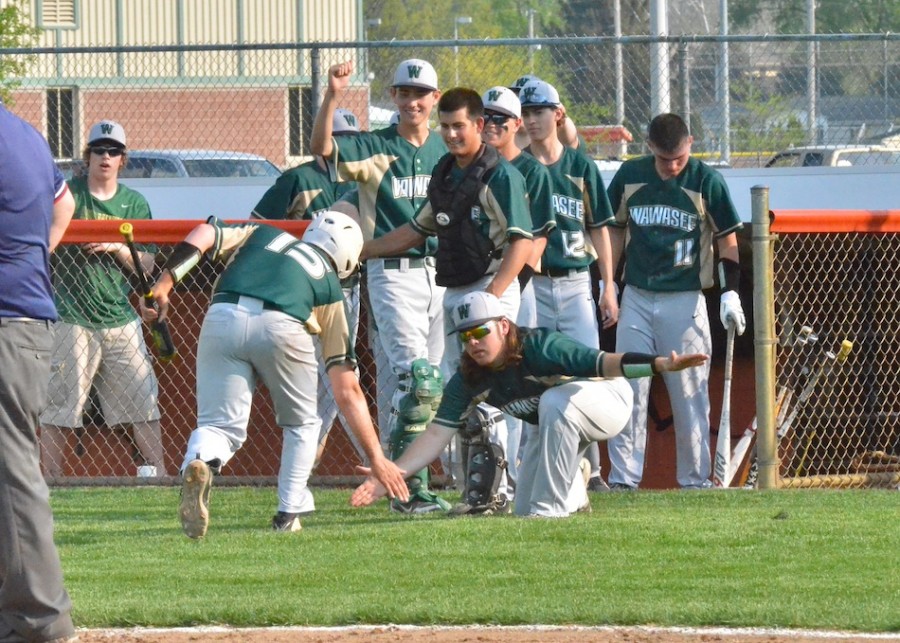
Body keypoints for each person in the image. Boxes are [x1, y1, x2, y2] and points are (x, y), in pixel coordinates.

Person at [141, 211, 409, 537]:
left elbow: (204, 232)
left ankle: (200, 462)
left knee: (218, 427)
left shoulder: (263, 233)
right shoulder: (328, 285)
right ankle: (288, 514)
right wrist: (377, 457)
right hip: (284, 323)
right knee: (304, 423)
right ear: (347, 261)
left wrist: (165, 283)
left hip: (223, 313)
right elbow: (347, 389)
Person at [350, 291, 708, 518]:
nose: (472, 342)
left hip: (608, 399)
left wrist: (659, 364)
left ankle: (551, 511)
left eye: (480, 331)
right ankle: (574, 487)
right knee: (521, 510)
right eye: (465, 336)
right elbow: (435, 435)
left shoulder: (540, 346)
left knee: (553, 403)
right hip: (555, 420)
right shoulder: (470, 376)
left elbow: (605, 363)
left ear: (504, 326)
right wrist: (390, 475)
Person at [361, 87, 534, 510]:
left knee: (492, 391)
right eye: (446, 126)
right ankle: (475, 486)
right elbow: (417, 230)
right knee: (457, 391)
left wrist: (491, 300)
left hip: (491, 287)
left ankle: (502, 489)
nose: (452, 133)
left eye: (460, 126)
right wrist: (363, 250)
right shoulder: (445, 172)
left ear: (480, 125)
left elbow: (521, 244)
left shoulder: (500, 174)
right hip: (455, 289)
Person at [311, 58, 448, 513]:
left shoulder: (444, 150)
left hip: (440, 275)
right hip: (391, 274)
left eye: (420, 93)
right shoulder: (375, 146)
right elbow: (322, 150)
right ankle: (415, 491)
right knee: (418, 382)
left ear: (435, 99)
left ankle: (400, 485)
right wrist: (333, 96)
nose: (411, 101)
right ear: (394, 97)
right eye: (404, 93)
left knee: (413, 386)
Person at [606, 113, 745, 490]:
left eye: (679, 158)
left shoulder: (705, 180)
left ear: (691, 143)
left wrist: (729, 289)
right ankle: (623, 478)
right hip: (636, 293)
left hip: (684, 299)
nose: (672, 166)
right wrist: (608, 283)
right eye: (665, 158)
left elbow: (727, 239)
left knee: (690, 393)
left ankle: (695, 480)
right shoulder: (630, 176)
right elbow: (614, 231)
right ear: (649, 147)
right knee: (629, 387)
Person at [40, 120, 165, 479]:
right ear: (88, 156)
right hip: (71, 315)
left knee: (142, 402)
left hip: (119, 316)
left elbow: (146, 265)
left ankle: (159, 477)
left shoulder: (134, 203)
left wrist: (115, 247)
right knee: (60, 406)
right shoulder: (70, 195)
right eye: (99, 150)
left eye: (113, 151)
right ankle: (50, 482)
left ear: (123, 159)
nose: (105, 157)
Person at [0, 101, 77, 642]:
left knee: (12, 476)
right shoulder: (23, 132)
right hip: (21, 317)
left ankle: (39, 625)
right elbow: (64, 202)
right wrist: (33, 258)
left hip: (5, 321)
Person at [250, 108, 363, 470]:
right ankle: (309, 470)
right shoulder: (298, 178)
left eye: (348, 139)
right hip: (305, 294)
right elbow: (257, 227)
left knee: (331, 391)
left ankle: (305, 472)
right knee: (318, 386)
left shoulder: (360, 180)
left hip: (348, 290)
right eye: (335, 138)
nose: (340, 146)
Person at [519, 79, 618, 491]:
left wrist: (608, 285)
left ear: (558, 114)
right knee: (532, 375)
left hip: (577, 279)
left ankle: (593, 470)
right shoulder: (518, 167)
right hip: (533, 286)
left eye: (539, 111)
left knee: (585, 372)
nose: (532, 120)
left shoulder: (580, 167)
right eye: (526, 113)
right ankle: (531, 465)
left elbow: (599, 227)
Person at [480, 85, 555, 490]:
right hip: (477, 286)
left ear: (515, 126)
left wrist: (506, 289)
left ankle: (512, 473)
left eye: (498, 120)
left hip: (515, 289)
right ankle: (482, 475)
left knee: (513, 382)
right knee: (477, 380)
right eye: (485, 118)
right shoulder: (470, 166)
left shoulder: (532, 172)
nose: (489, 126)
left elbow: (537, 240)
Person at [508, 74, 581, 152]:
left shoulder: (556, 127)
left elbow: (571, 141)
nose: (521, 101)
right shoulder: (506, 126)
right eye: (516, 96)